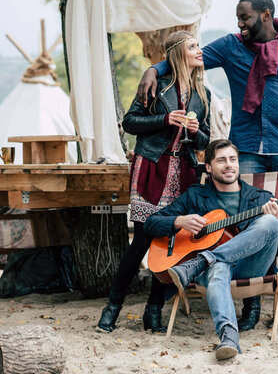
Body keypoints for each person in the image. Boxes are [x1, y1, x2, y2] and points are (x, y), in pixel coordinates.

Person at [136, 0, 278, 334]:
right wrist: (154, 68)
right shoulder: (231, 46)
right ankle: (251, 303)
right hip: (247, 149)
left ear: (265, 15)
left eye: (245, 18)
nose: (239, 24)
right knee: (247, 223)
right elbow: (191, 57)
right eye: (238, 18)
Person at [96, 31, 211, 333]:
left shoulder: (202, 94)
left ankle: (153, 310)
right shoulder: (156, 84)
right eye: (193, 46)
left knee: (170, 243)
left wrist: (197, 132)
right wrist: (164, 120)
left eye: (198, 45)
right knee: (142, 242)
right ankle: (112, 307)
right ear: (177, 53)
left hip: (184, 173)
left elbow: (206, 139)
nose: (199, 50)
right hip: (152, 169)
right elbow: (129, 122)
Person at [143, 139, 278, 360]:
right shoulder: (195, 195)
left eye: (233, 159)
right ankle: (229, 337)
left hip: (249, 267)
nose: (229, 165)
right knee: (218, 266)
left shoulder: (261, 198)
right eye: (221, 160)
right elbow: (151, 223)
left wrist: (275, 219)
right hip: (214, 271)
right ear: (208, 167)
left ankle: (202, 260)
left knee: (270, 223)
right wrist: (179, 221)